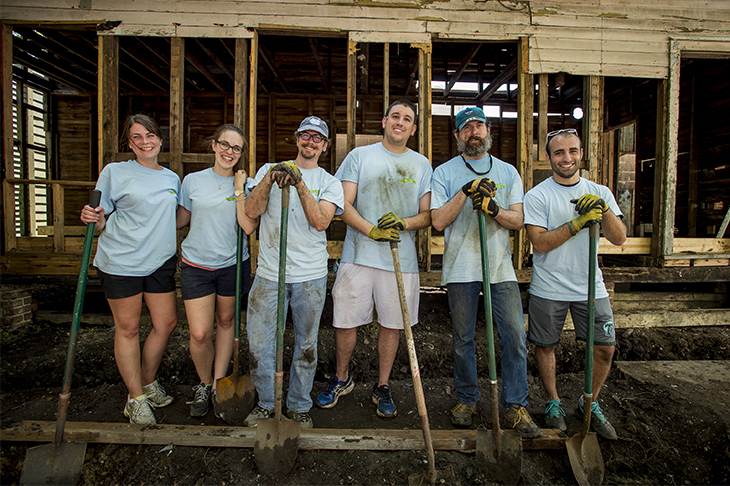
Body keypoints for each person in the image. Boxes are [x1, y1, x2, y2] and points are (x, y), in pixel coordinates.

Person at [315, 100, 432, 419]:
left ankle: (382, 386)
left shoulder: (422, 165)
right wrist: (371, 230)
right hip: (358, 256)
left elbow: (428, 215)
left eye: (407, 119)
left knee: (392, 325)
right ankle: (342, 379)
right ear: (384, 121)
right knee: (345, 320)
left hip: (401, 261)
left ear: (413, 129)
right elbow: (343, 203)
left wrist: (403, 224)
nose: (400, 122)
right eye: (395, 116)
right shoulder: (360, 157)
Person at [430, 107, 541, 437]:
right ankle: (466, 399)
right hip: (460, 269)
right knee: (463, 340)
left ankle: (514, 405)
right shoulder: (445, 172)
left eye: (478, 126)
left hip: (499, 268)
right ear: (457, 136)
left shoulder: (508, 173)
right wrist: (466, 193)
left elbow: (518, 220)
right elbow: (437, 221)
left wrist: (493, 208)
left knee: (514, 337)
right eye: (466, 128)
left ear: (488, 130)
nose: (473, 132)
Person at [523, 128, 627, 440]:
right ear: (548, 157)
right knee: (545, 346)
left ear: (581, 153)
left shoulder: (600, 191)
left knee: (606, 349)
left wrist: (602, 209)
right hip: (549, 286)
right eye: (559, 152)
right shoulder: (537, 196)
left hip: (590, 286)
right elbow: (539, 243)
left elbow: (619, 237)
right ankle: (553, 402)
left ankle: (589, 402)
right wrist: (577, 223)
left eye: (572, 151)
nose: (566, 158)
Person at [242, 116, 344, 429]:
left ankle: (299, 406)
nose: (310, 142)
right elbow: (251, 210)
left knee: (307, 344)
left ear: (325, 146)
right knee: (260, 344)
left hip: (310, 276)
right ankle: (266, 404)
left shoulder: (330, 182)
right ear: (296, 138)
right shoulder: (268, 170)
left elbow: (321, 221)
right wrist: (271, 178)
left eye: (317, 138)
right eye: (306, 136)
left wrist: (299, 184)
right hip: (270, 273)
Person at [80, 114, 179, 425]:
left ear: (160, 140)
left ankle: (148, 382)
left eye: (150, 136)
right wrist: (93, 218)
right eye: (137, 137)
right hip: (122, 261)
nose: (145, 142)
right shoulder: (115, 172)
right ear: (129, 143)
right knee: (129, 328)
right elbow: (101, 214)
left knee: (166, 324)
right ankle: (134, 397)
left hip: (160, 260)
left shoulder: (172, 178)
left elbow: (173, 217)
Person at [176, 124, 258, 418]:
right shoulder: (192, 181)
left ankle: (216, 383)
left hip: (232, 265)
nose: (229, 152)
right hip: (196, 264)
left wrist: (238, 191)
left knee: (226, 322)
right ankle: (202, 381)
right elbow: (180, 219)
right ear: (213, 145)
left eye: (236, 148)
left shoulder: (247, 185)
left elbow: (248, 227)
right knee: (199, 334)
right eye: (225, 144)